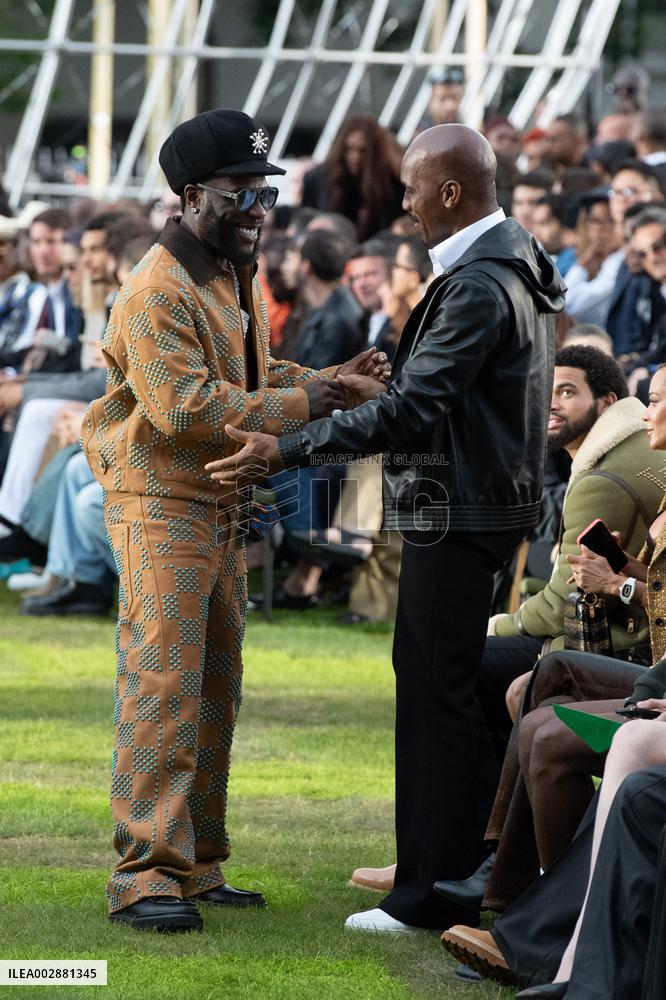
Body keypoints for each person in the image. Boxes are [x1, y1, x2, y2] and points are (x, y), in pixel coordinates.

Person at [204, 122, 566, 932]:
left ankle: (427, 894)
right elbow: (443, 396)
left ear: (448, 191)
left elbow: (417, 411)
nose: (400, 202)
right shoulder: (513, 260)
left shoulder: (478, 280)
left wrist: (287, 448)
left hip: (459, 508)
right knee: (450, 689)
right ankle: (451, 869)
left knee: (434, 698)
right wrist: (383, 392)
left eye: (411, 186)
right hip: (476, 501)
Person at [80, 108, 387, 933]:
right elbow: (183, 407)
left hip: (215, 502)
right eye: (240, 192)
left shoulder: (224, 272)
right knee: (163, 686)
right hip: (161, 505)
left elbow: (244, 373)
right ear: (188, 198)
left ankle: (198, 862)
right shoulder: (155, 290)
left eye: (266, 191)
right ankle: (143, 874)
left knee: (215, 690)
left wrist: (326, 377)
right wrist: (312, 397)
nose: (259, 208)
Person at [300, 115, 404, 241]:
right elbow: (305, 219)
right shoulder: (318, 179)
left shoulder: (392, 185)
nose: (355, 157)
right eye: (349, 149)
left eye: (363, 150)